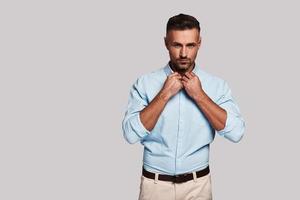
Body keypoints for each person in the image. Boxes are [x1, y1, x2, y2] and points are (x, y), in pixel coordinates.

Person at [122, 13, 245, 200]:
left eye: (190, 45)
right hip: (155, 187)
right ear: (166, 43)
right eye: (177, 45)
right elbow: (130, 134)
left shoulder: (216, 85)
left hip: (198, 187)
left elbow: (236, 133)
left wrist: (200, 96)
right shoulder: (145, 83)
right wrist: (164, 95)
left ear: (200, 43)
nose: (184, 54)